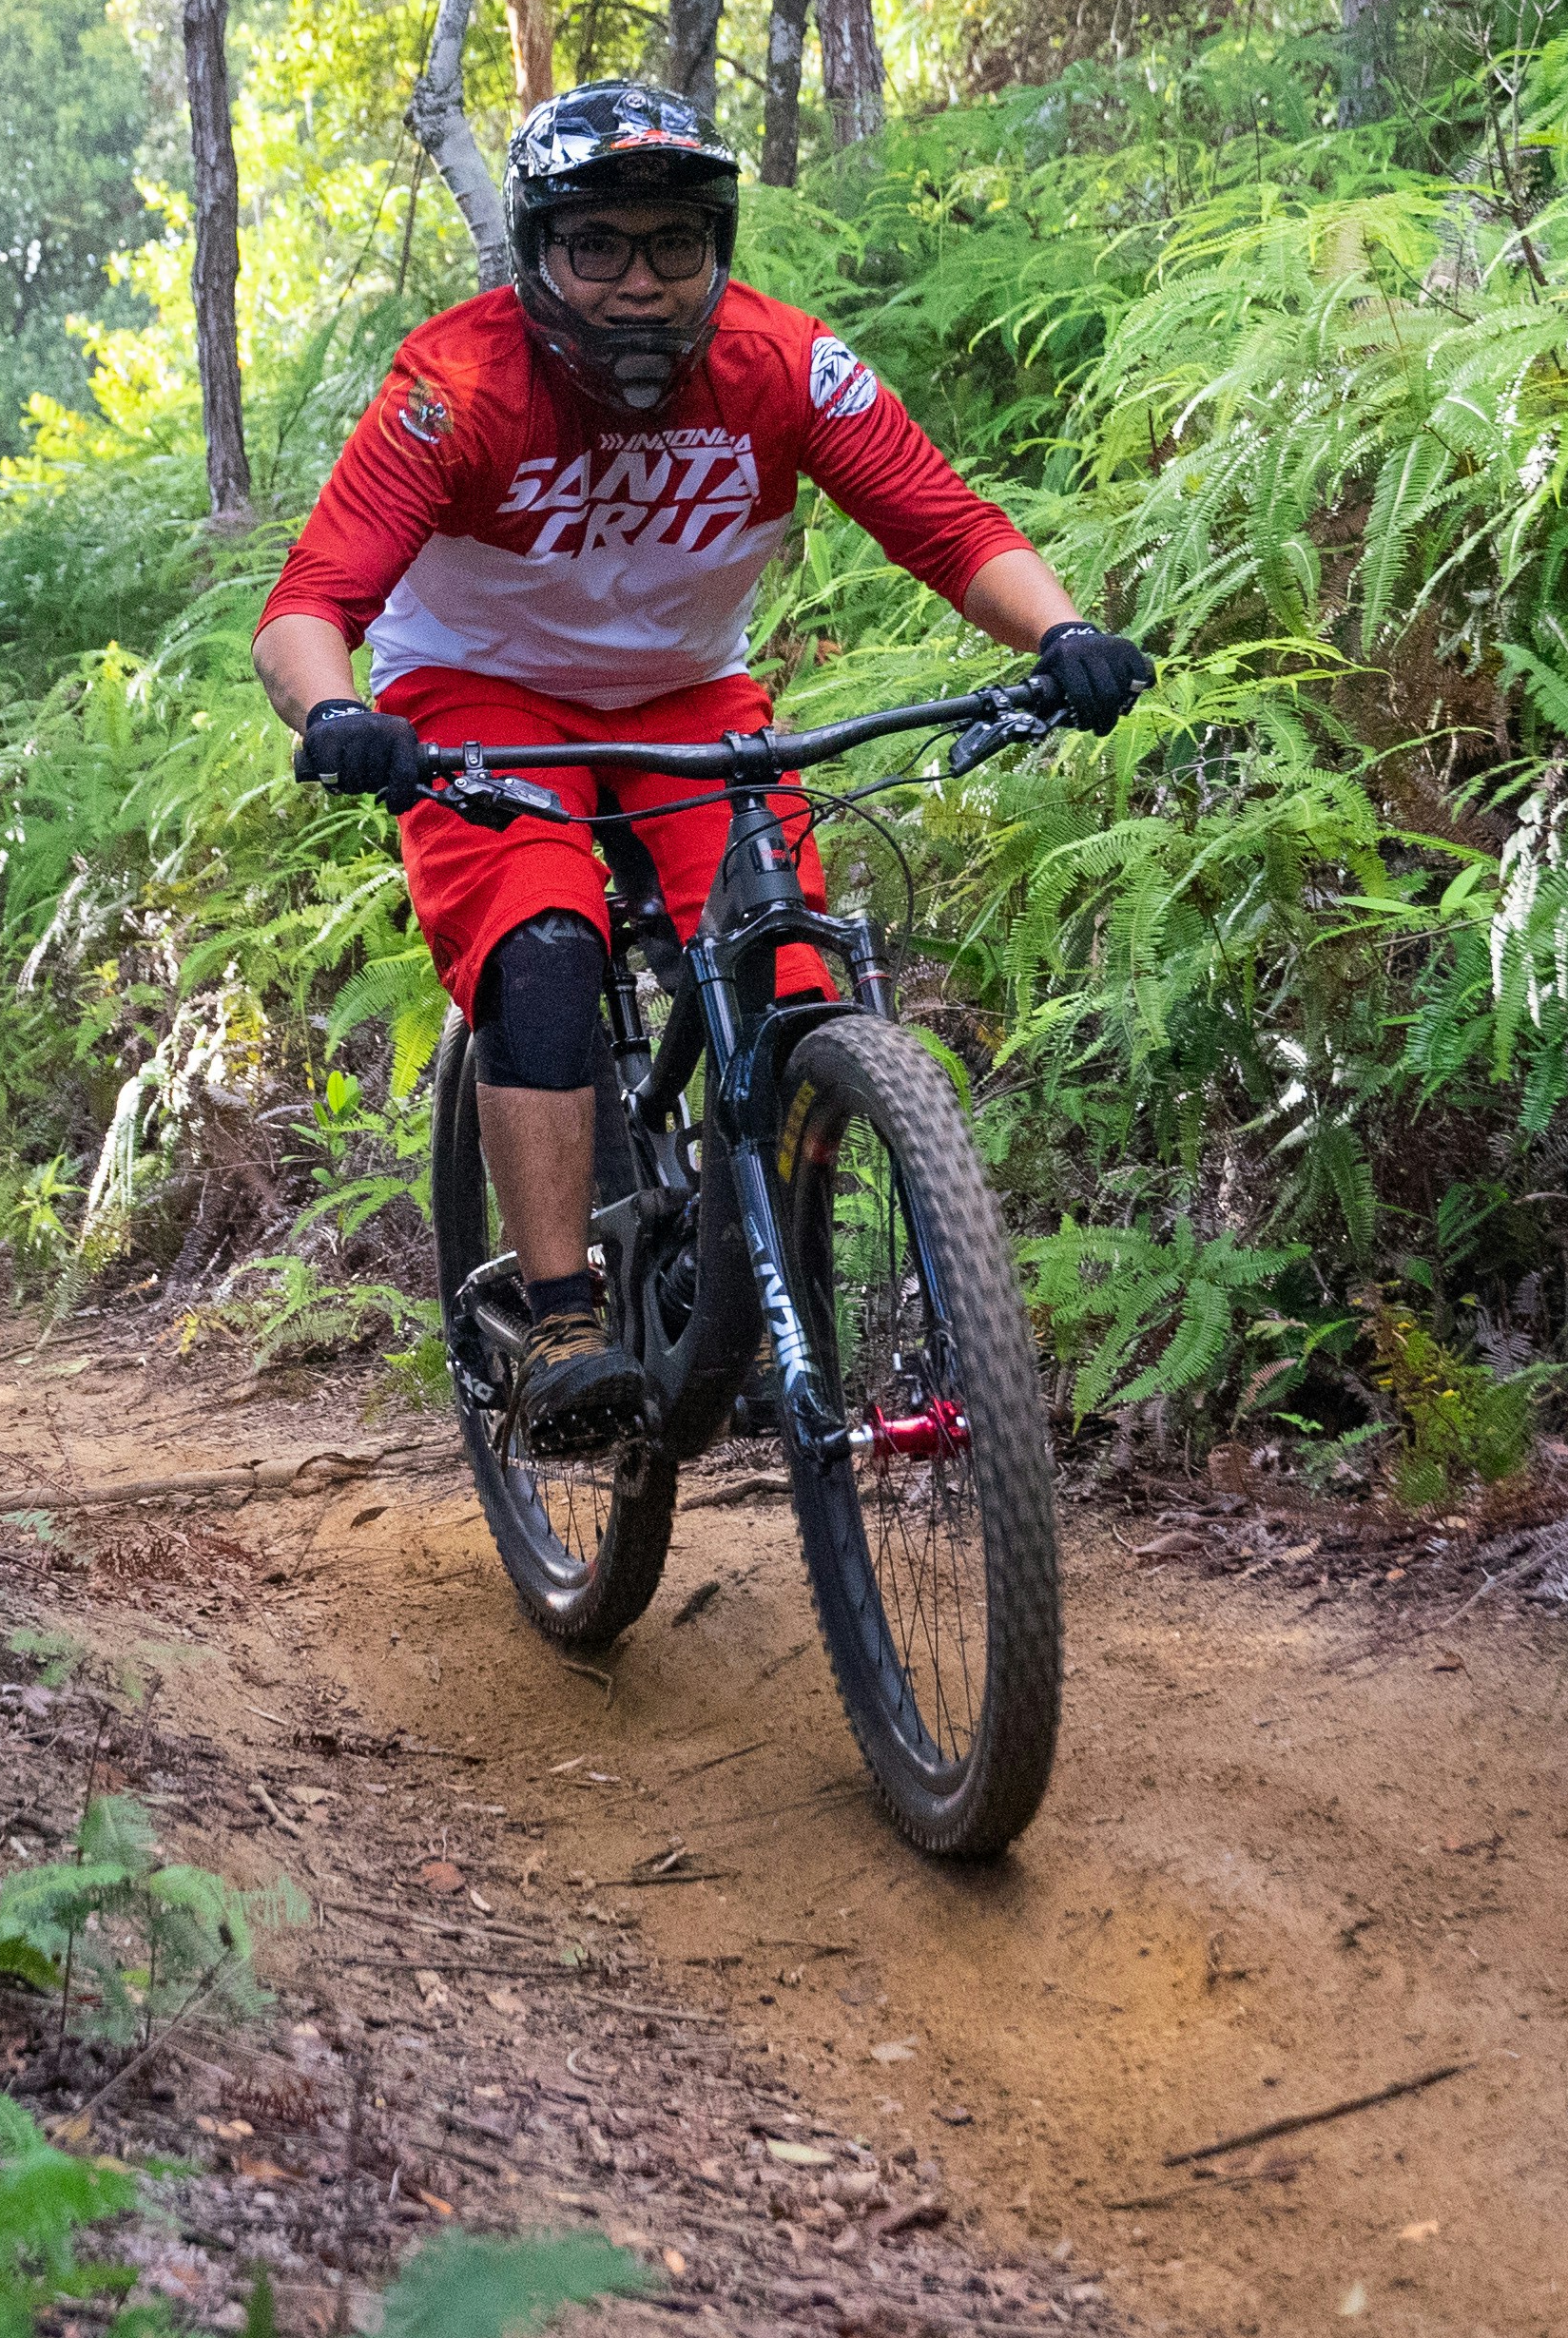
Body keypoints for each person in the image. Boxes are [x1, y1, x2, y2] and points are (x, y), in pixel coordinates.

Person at [254, 78, 1149, 1458]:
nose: (638, 284)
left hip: (689, 696)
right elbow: (309, 607)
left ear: (717, 248)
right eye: (598, 247)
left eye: (674, 245)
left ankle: (762, 1299)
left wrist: (1067, 633)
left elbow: (949, 526)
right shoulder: (458, 387)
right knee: (545, 947)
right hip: (479, 699)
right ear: (541, 253)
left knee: (792, 982)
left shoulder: (781, 364)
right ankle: (560, 1318)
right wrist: (332, 717)